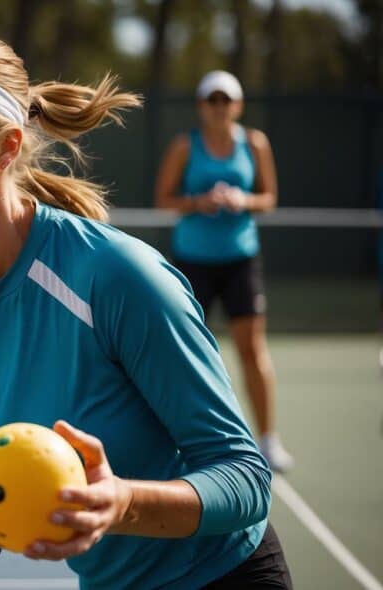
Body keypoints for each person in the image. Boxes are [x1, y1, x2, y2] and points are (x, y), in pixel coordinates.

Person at [0, 27, 291, 588]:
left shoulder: (117, 275)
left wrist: (121, 502)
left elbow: (245, 478)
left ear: (6, 146)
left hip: (227, 575)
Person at [154, 70, 293, 472]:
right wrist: (199, 202)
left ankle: (268, 440)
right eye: (211, 100)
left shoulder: (255, 143)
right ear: (201, 106)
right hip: (193, 261)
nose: (219, 107)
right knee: (188, 351)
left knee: (252, 349)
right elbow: (164, 199)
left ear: (238, 105)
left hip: (241, 261)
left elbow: (268, 199)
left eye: (226, 100)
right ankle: (184, 441)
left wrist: (242, 200)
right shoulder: (185, 146)